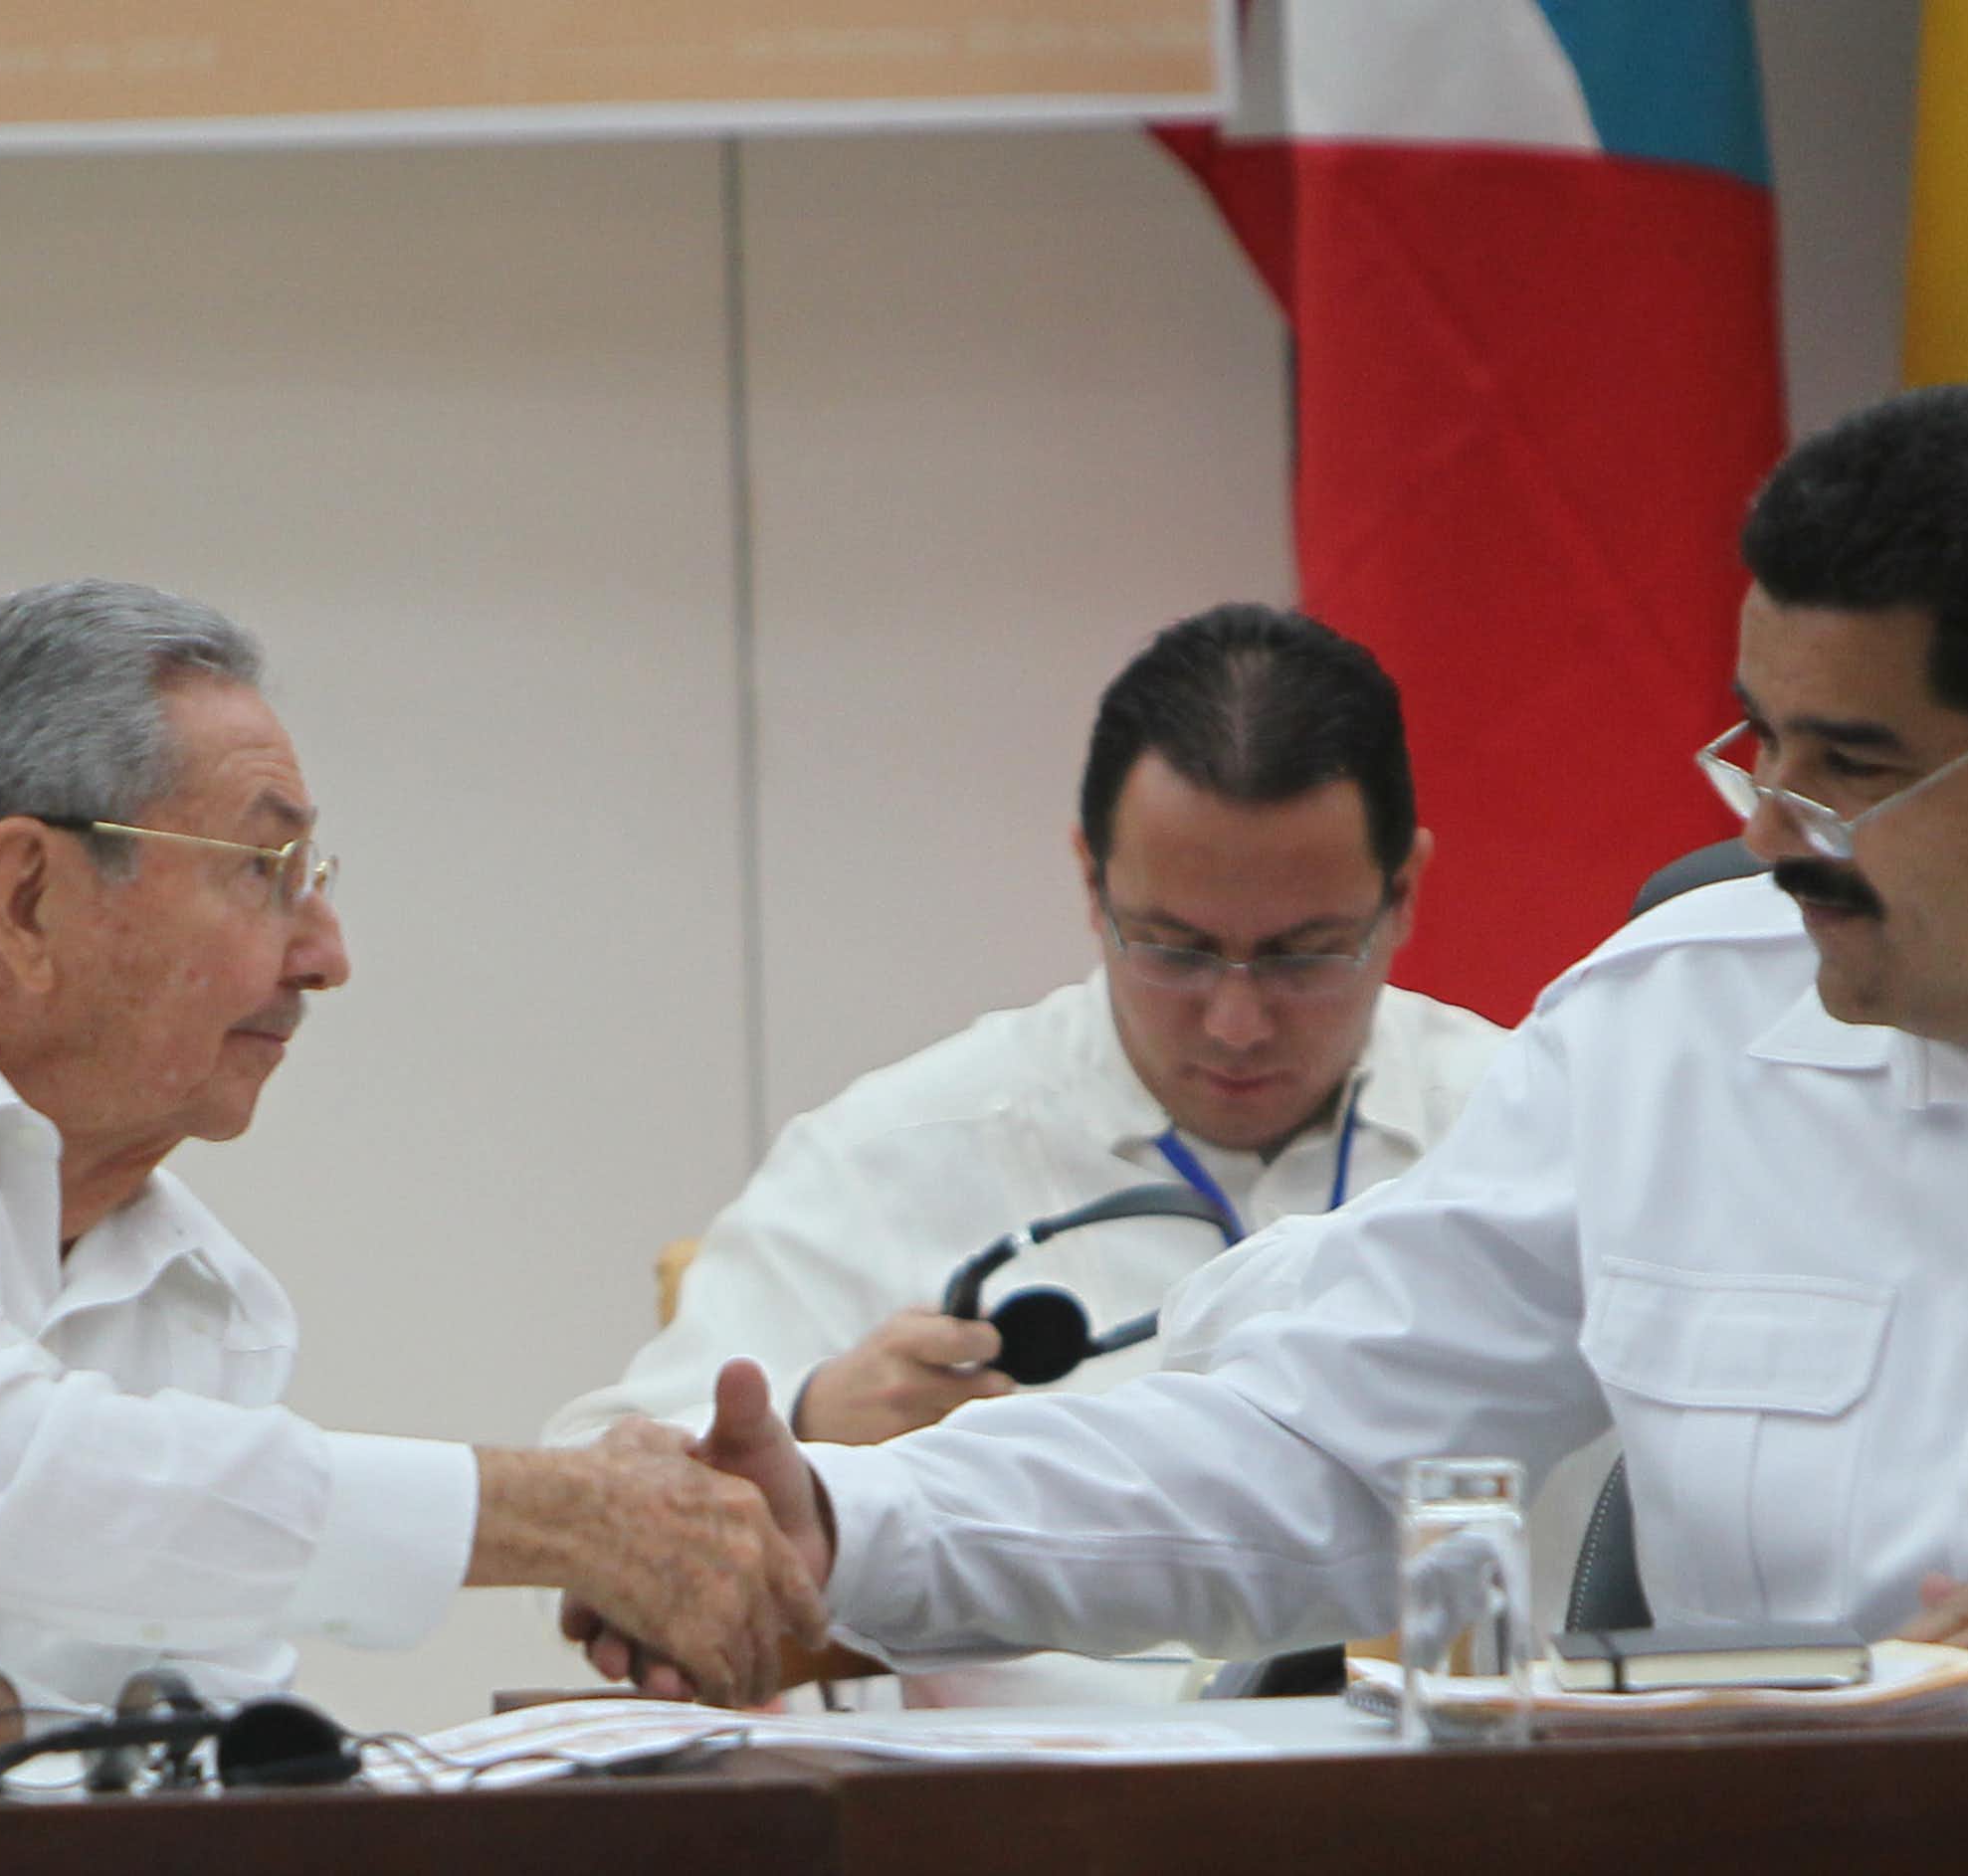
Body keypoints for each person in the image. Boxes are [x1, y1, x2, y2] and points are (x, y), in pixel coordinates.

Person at [588, 382, 1968, 1876]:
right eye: (1757, 743)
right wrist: (841, 1519)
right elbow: (1310, 1446)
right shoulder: (1678, 1035)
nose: (1764, 831)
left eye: (1848, 771)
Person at [0, 580, 823, 1732]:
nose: (325, 955)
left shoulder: (209, 1301)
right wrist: (561, 1516)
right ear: (24, 894)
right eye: (264, 872)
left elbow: (201, 1754)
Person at [548, 603, 1560, 1702]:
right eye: (1172, 947)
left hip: (1468, 1809)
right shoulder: (899, 1151)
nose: (1234, 1020)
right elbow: (593, 1481)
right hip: (1022, 1837)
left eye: (1302, 955)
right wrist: (808, 1425)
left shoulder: (1531, 1129)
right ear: (1089, 881)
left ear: (1403, 892)